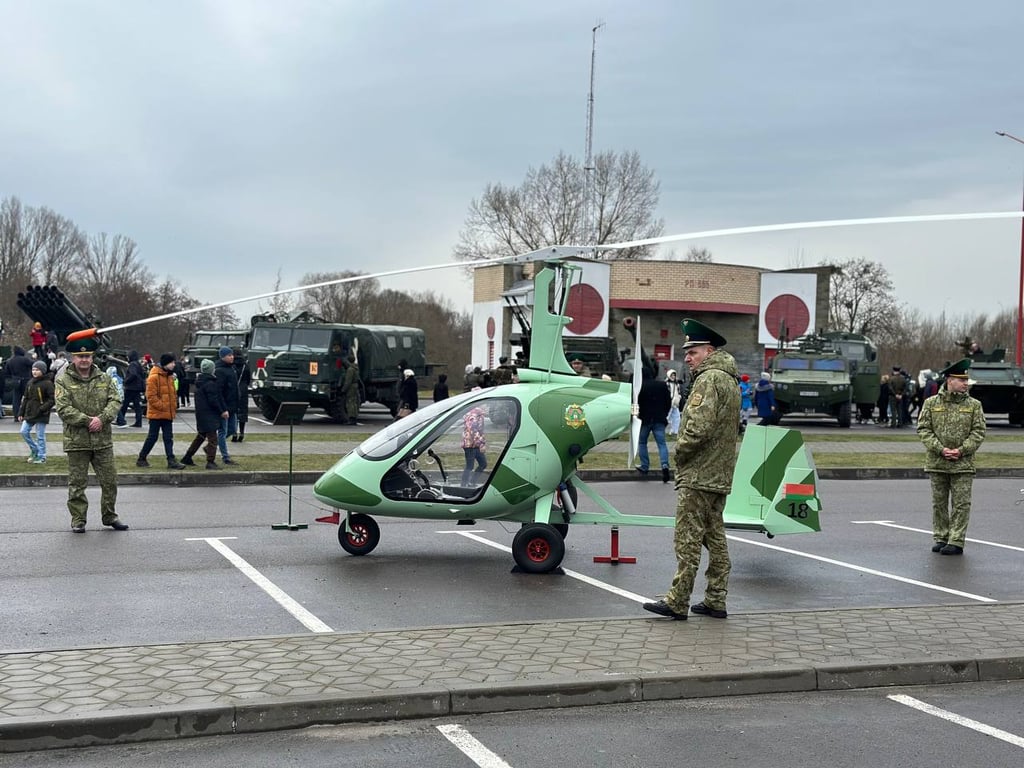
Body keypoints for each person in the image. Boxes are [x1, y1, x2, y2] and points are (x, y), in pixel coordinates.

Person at [644, 318, 740, 621]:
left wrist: (680, 452)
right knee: (715, 538)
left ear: (709, 351)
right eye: (687, 352)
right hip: (719, 473)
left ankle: (677, 600)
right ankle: (716, 599)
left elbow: (697, 428)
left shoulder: (709, 379)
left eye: (693, 352)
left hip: (698, 473)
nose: (687, 358)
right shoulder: (730, 379)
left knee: (687, 540)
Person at [54, 336, 128, 533]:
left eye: (87, 356)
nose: (84, 360)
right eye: (80, 356)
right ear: (73, 358)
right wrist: (88, 421)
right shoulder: (63, 380)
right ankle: (78, 520)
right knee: (77, 485)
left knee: (110, 482)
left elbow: (115, 400)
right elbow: (63, 408)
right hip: (77, 441)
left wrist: (102, 419)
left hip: (102, 441)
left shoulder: (104, 378)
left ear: (92, 357)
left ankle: (110, 516)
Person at [917, 358, 986, 556]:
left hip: (962, 463)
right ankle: (941, 537)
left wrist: (961, 450)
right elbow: (923, 429)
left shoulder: (974, 405)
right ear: (949, 380)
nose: (965, 383)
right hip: (938, 461)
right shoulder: (931, 403)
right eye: (961, 380)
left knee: (961, 504)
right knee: (939, 503)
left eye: (966, 380)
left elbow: (979, 432)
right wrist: (940, 449)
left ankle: (956, 540)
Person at [135, 353, 186, 469]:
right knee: (152, 437)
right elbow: (151, 397)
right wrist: (163, 406)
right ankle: (142, 458)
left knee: (168, 438)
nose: (174, 364)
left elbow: (173, 394)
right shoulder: (154, 377)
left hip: (167, 414)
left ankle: (171, 460)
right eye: (171, 362)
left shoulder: (169, 377)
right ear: (165, 364)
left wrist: (173, 406)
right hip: (156, 414)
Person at [181, 358, 226, 470]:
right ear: (211, 370)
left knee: (200, 437)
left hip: (201, 414)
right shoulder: (210, 384)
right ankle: (210, 461)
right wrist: (222, 411)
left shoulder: (200, 383)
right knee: (213, 439)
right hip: (209, 415)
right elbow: (213, 400)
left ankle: (187, 456)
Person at [635, 369, 672, 482]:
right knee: (662, 443)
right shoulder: (662, 385)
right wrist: (664, 414)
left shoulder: (640, 387)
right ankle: (664, 465)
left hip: (644, 419)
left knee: (642, 442)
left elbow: (636, 403)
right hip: (659, 418)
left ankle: (644, 466)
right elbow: (668, 402)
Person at [18, 360, 55, 464]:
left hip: (42, 413)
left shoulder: (48, 383)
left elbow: (52, 399)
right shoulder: (30, 382)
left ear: (42, 371)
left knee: (40, 436)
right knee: (24, 431)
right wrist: (21, 412)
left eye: (37, 370)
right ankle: (35, 449)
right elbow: (26, 398)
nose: (34, 372)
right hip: (30, 412)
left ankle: (42, 456)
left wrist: (42, 408)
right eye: (33, 369)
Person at [214, 346, 239, 464]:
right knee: (222, 431)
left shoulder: (232, 368)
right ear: (223, 357)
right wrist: (223, 408)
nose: (232, 357)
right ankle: (225, 457)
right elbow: (219, 391)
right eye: (229, 355)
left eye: (232, 355)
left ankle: (212, 445)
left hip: (232, 406)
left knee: (232, 429)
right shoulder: (220, 370)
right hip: (224, 407)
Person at [2, 346, 33, 422]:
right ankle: (27, 414)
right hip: (25, 380)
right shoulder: (25, 359)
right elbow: (33, 365)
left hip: (15, 381)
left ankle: (16, 415)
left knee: (16, 399)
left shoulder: (10, 361)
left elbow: (7, 372)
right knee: (28, 398)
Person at [461, 402, 487, 486]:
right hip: (471, 445)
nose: (486, 406)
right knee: (471, 466)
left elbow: (478, 430)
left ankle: (470, 482)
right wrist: (481, 444)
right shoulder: (475, 415)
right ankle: (464, 485)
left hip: (473, 444)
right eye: (486, 404)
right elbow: (473, 430)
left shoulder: (477, 414)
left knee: (481, 464)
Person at [117, 350, 145, 427]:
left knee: (124, 404)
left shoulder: (132, 364)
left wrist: (126, 381)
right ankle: (138, 422)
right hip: (137, 387)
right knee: (137, 406)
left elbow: (133, 374)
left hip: (131, 387)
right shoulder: (138, 364)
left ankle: (120, 420)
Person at [231, 347, 252, 439]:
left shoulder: (231, 365)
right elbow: (248, 378)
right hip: (243, 388)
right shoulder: (245, 365)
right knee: (243, 410)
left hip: (233, 388)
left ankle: (234, 432)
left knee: (234, 411)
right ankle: (242, 432)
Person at [340, 353, 361, 426]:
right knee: (354, 402)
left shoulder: (350, 369)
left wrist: (343, 390)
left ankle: (351, 418)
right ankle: (354, 417)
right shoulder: (356, 368)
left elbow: (348, 381)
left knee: (350, 402)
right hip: (355, 385)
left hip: (351, 387)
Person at [665, 369, 682, 436]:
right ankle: (663, 429)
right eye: (671, 375)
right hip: (669, 402)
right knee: (667, 416)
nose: (673, 376)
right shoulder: (667, 383)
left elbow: (678, 392)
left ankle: (675, 431)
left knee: (677, 416)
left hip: (675, 402)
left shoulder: (677, 384)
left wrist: (678, 399)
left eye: (674, 375)